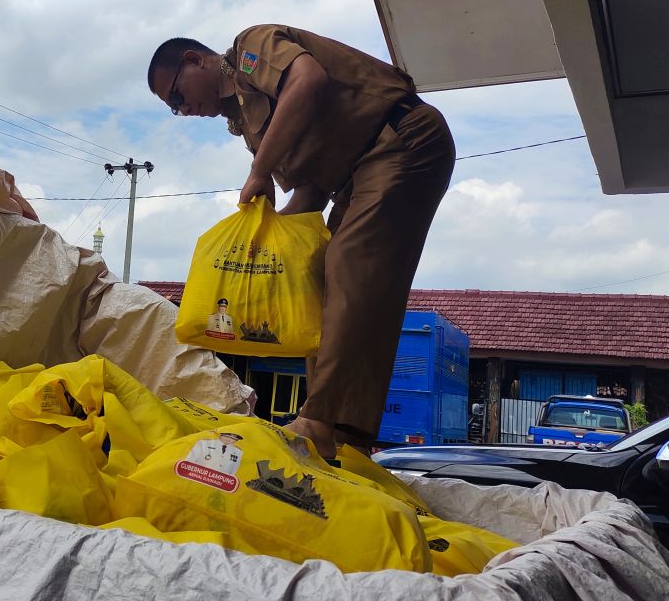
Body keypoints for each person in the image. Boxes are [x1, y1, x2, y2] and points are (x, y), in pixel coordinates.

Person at [147, 24, 455, 460]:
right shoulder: (247, 124)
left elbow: (307, 80)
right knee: (314, 276)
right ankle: (346, 434)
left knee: (350, 268)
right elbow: (308, 192)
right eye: (172, 109)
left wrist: (259, 172)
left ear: (196, 61)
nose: (182, 109)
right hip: (354, 177)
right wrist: (265, 244)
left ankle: (321, 420)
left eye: (176, 95)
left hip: (400, 140)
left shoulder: (250, 49)